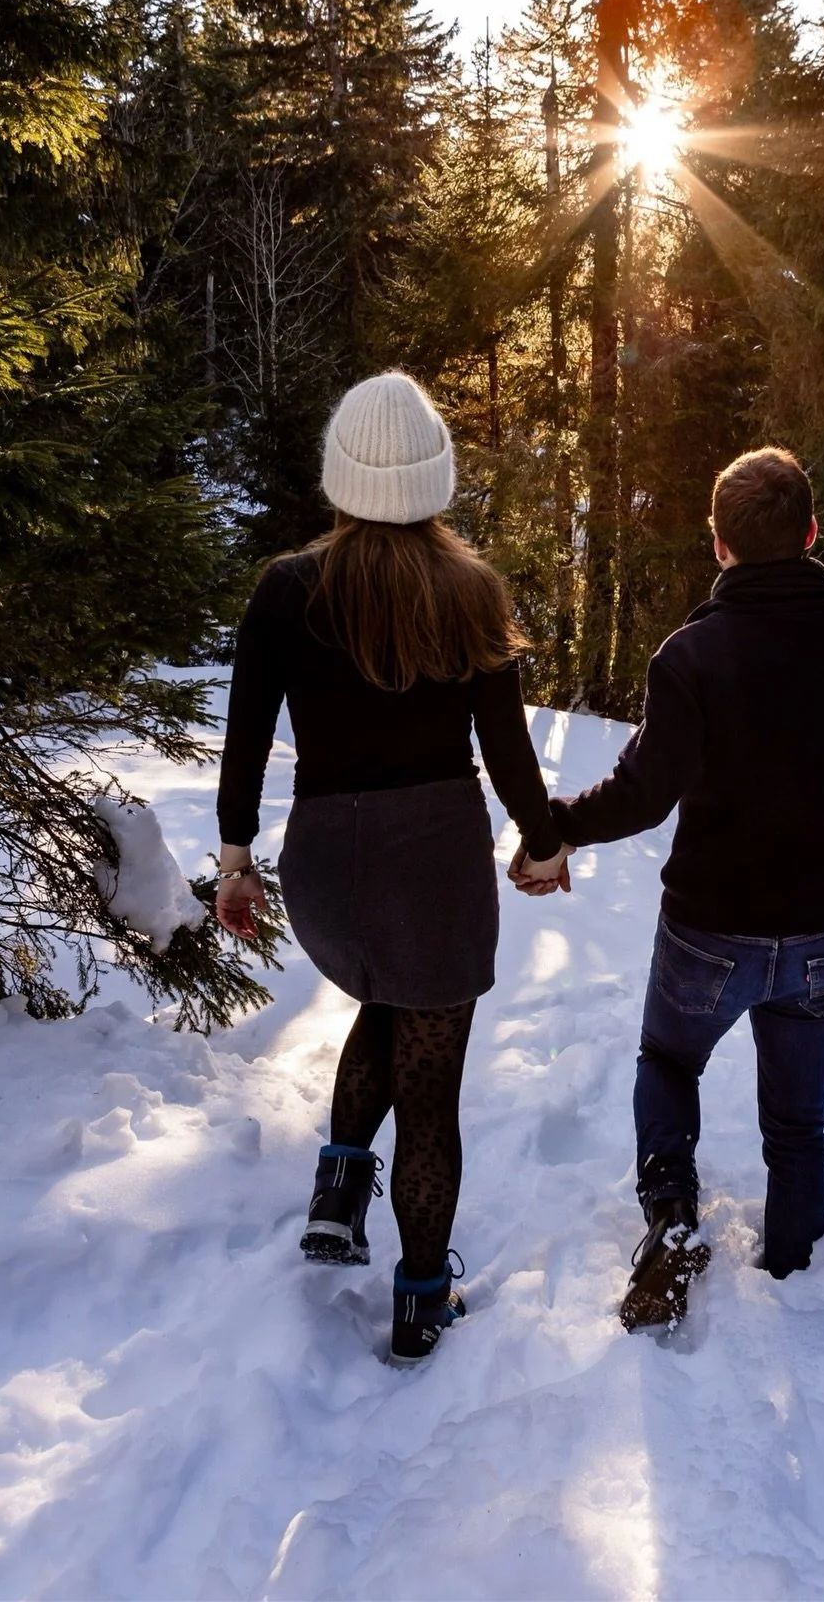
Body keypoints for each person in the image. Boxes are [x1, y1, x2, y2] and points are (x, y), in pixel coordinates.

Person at [509, 447, 824, 1329]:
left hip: (708, 932)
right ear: (812, 534)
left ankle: (670, 1228)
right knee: (797, 1124)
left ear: (719, 544)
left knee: (669, 1061)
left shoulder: (692, 655)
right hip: (819, 935)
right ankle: (794, 1274)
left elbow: (643, 792)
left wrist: (552, 831)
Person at [214, 371, 569, 1365]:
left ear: (342, 475)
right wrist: (542, 843)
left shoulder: (286, 587)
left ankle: (337, 1183)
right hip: (434, 865)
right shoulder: (471, 592)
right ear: (433, 479)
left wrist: (236, 860)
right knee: (431, 1080)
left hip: (327, 869)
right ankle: (420, 1300)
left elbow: (246, 736)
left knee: (383, 997)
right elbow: (506, 752)